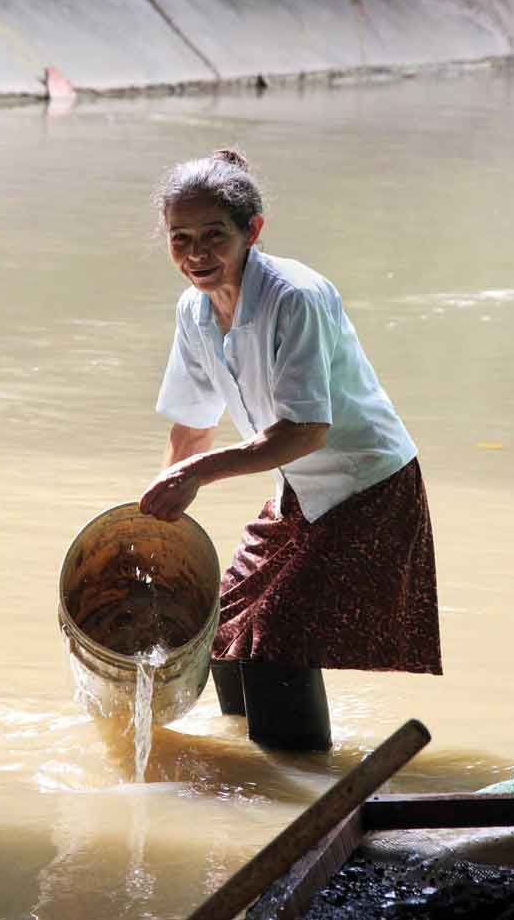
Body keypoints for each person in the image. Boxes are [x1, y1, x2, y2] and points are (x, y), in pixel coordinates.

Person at [139, 148, 442, 752]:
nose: (197, 254)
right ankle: (249, 761)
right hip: (297, 491)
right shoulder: (195, 311)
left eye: (213, 235)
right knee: (218, 627)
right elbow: (191, 430)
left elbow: (306, 430)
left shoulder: (293, 297)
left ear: (252, 231)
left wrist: (197, 474)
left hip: (366, 486)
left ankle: (295, 785)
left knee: (277, 640)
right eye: (181, 239)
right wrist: (152, 525)